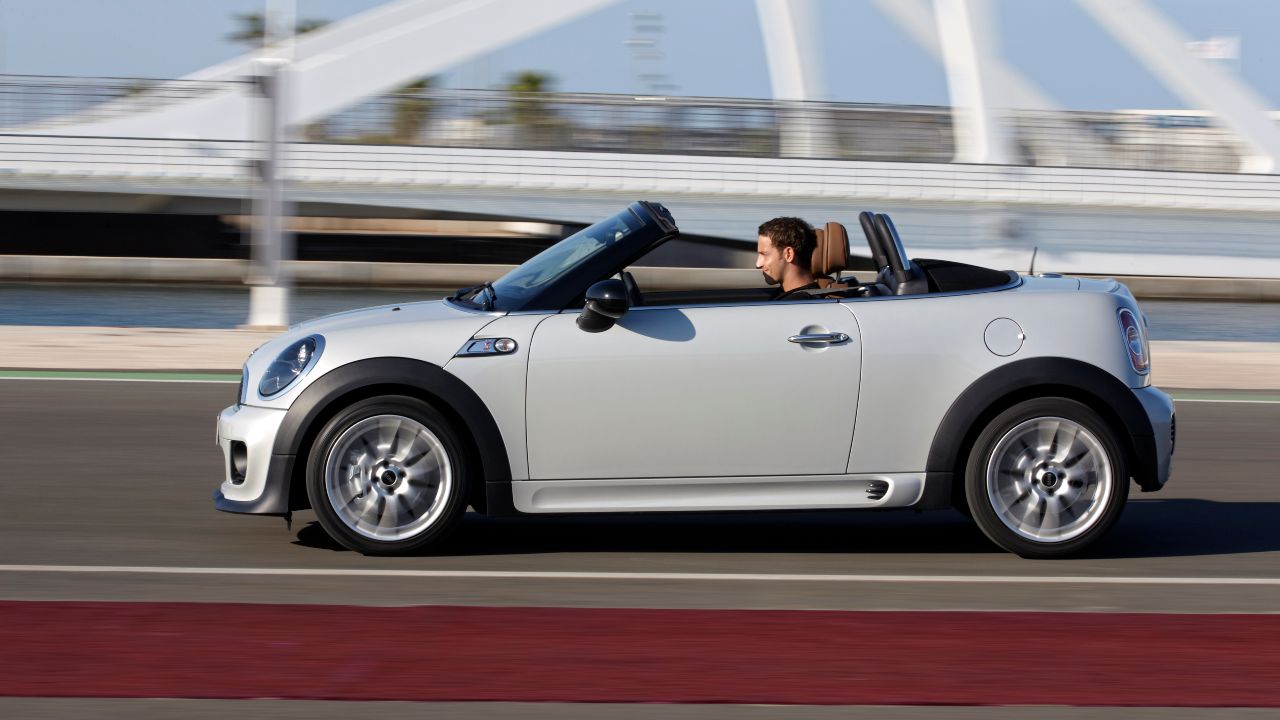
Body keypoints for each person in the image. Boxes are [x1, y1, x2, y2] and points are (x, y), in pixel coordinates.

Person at [756, 216, 821, 300]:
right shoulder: (784, 295)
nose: (758, 264)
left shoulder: (798, 304)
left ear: (788, 254)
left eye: (764, 254)